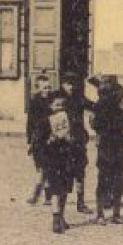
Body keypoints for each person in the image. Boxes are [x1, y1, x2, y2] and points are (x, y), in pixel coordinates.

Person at [88, 74, 123, 224]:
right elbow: (96, 125)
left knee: (117, 180)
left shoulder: (117, 106)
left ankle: (113, 214)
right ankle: (102, 214)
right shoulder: (101, 106)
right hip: (107, 145)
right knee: (106, 179)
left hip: (116, 144)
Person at [42, 90, 80, 233]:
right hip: (53, 159)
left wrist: (72, 139)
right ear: (50, 106)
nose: (60, 108)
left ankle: (61, 216)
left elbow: (79, 136)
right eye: (57, 105)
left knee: (65, 190)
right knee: (56, 190)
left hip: (67, 158)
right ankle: (56, 219)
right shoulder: (45, 121)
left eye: (63, 105)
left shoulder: (70, 120)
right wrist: (49, 140)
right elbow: (39, 141)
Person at [59, 71, 93, 214]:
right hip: (64, 141)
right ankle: (59, 209)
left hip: (78, 140)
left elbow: (94, 106)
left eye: (73, 84)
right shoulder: (58, 99)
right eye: (68, 84)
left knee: (80, 171)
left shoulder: (79, 99)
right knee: (64, 174)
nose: (71, 87)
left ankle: (81, 202)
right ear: (62, 84)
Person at [24, 70, 55, 205]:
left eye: (48, 87)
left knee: (45, 168)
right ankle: (47, 196)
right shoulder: (35, 101)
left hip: (51, 139)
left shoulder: (53, 100)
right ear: (38, 88)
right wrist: (29, 140)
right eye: (44, 88)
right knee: (42, 168)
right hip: (39, 139)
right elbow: (30, 122)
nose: (47, 90)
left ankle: (36, 196)